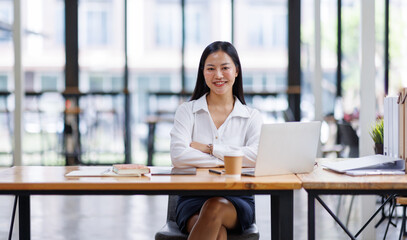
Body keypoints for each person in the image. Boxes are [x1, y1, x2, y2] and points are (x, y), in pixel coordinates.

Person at [170, 41, 263, 240]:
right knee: (216, 232)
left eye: (225, 68)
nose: (218, 75)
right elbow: (179, 156)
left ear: (236, 71)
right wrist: (233, 160)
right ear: (203, 73)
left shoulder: (251, 116)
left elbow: (257, 156)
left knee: (214, 207)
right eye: (211, 69)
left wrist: (209, 149)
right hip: (193, 197)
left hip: (237, 200)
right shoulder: (187, 111)